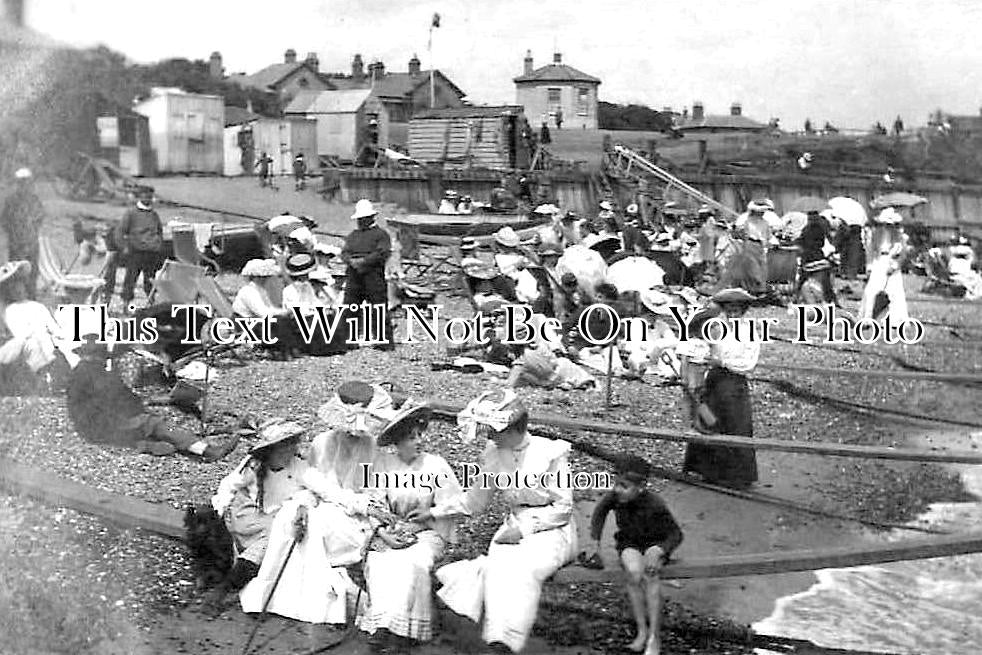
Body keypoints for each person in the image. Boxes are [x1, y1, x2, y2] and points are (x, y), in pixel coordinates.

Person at [414, 389, 577, 654]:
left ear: (512, 430)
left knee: (525, 569)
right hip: (514, 523)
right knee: (500, 566)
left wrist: (525, 528)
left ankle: (506, 641)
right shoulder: (494, 454)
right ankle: (498, 640)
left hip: (552, 529)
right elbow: (475, 501)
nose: (489, 436)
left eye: (493, 430)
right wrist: (434, 512)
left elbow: (563, 508)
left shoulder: (549, 453)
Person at [239, 381, 401, 624]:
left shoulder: (374, 450)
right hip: (322, 507)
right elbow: (312, 486)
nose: (352, 433)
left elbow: (373, 497)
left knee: (315, 524)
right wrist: (303, 506)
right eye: (346, 428)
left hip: (356, 520)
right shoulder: (322, 443)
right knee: (289, 513)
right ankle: (267, 595)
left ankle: (319, 605)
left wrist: (368, 512)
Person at [359, 403, 465, 649]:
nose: (420, 441)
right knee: (381, 562)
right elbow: (374, 501)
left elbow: (454, 504)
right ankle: (384, 625)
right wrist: (383, 532)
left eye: (420, 435)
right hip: (392, 532)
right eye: (411, 437)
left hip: (428, 532)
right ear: (397, 442)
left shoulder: (435, 465)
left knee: (412, 563)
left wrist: (426, 518)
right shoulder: (383, 465)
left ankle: (402, 632)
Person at [66, 333, 238, 460]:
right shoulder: (99, 374)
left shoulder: (79, 372)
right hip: (101, 426)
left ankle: (149, 444)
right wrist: (144, 405)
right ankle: (207, 450)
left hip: (86, 426)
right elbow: (124, 400)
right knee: (154, 422)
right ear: (99, 355)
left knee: (159, 436)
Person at [584, 455, 683, 655]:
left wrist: (659, 550)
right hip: (629, 543)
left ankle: (655, 637)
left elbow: (676, 534)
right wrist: (595, 543)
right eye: (616, 483)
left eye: (624, 486)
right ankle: (642, 631)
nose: (617, 489)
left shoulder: (655, 504)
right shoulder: (614, 497)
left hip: (655, 545)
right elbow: (599, 513)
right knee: (633, 573)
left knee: (650, 575)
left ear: (641, 487)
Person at [205, 420, 307, 611]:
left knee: (279, 532)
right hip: (247, 515)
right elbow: (229, 486)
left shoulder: (299, 467)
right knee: (275, 533)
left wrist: (302, 505)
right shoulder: (253, 466)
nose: (289, 452)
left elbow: (313, 490)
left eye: (291, 446)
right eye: (282, 448)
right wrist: (220, 510)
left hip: (271, 520)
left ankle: (232, 582)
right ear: (270, 450)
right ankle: (229, 585)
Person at [677, 289, 760, 488]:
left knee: (735, 424)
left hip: (734, 382)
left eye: (737, 311)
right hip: (714, 380)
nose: (732, 315)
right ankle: (709, 472)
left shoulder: (750, 332)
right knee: (708, 422)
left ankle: (737, 476)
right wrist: (694, 364)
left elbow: (749, 363)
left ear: (743, 311)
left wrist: (722, 361)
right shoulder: (716, 328)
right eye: (729, 310)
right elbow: (699, 347)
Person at [0, 261, 75, 393]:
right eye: (12, 286)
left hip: (47, 343)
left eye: (19, 283)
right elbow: (20, 334)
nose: (18, 288)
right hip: (20, 347)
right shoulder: (8, 310)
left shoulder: (37, 306)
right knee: (33, 344)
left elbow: (54, 328)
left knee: (62, 342)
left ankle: (70, 374)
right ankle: (47, 378)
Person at [342, 199, 393, 348]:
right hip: (354, 276)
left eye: (363, 219)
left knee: (378, 308)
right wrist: (350, 261)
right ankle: (349, 340)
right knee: (350, 308)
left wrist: (364, 261)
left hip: (373, 275)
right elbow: (344, 252)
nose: (361, 221)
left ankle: (383, 341)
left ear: (371, 218)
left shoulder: (381, 234)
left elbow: (382, 253)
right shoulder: (353, 235)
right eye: (359, 219)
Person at [232, 258, 299, 359]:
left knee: (287, 319)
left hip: (256, 321)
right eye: (263, 277)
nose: (265, 279)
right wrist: (284, 312)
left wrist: (286, 312)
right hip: (245, 324)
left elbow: (270, 308)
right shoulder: (248, 291)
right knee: (280, 321)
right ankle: (281, 350)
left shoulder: (261, 290)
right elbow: (262, 312)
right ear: (256, 277)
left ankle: (290, 349)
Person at [858, 209, 909, 323]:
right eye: (885, 224)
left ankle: (895, 320)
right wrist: (869, 265)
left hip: (892, 261)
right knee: (871, 290)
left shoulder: (900, 236)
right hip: (879, 261)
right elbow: (870, 250)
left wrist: (895, 265)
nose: (887, 226)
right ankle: (867, 317)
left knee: (895, 292)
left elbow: (903, 253)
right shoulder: (876, 234)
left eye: (890, 224)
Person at [118, 187, 164, 311]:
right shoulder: (131, 213)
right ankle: (125, 305)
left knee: (150, 280)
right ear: (139, 197)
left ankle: (151, 305)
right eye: (144, 196)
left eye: (149, 196)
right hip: (136, 251)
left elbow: (159, 231)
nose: (147, 199)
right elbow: (121, 231)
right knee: (130, 279)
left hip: (152, 252)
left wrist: (158, 244)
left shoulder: (154, 215)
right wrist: (124, 247)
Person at [1, 168, 44, 298]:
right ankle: (15, 298)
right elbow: (4, 221)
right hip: (16, 244)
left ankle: (31, 297)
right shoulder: (11, 201)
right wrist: (14, 235)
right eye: (21, 183)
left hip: (31, 243)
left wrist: (31, 231)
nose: (24, 186)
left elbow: (39, 218)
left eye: (27, 183)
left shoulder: (34, 200)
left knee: (32, 272)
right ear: (17, 184)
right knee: (16, 272)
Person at [798, 210, 837, 304]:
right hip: (818, 255)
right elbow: (823, 243)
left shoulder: (806, 229)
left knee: (803, 278)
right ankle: (830, 298)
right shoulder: (821, 229)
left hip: (807, 257)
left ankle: (798, 297)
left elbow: (801, 242)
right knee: (825, 280)